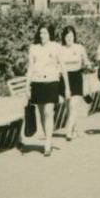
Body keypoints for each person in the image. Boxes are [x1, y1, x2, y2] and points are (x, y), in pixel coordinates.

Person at [25, 23, 64, 156]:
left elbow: (62, 66)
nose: (42, 36)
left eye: (45, 33)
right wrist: (27, 85)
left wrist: (66, 87)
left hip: (52, 82)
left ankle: (48, 144)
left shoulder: (56, 47)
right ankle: (47, 139)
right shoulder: (34, 48)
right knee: (42, 113)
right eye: (41, 33)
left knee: (49, 111)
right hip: (37, 82)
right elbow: (30, 67)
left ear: (50, 34)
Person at [55, 25, 91, 141]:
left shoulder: (79, 48)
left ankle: (68, 131)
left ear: (74, 37)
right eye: (67, 36)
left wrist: (88, 66)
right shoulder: (60, 49)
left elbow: (86, 61)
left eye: (71, 36)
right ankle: (74, 130)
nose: (69, 38)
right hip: (65, 79)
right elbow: (59, 67)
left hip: (76, 77)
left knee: (74, 105)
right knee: (68, 107)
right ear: (64, 37)